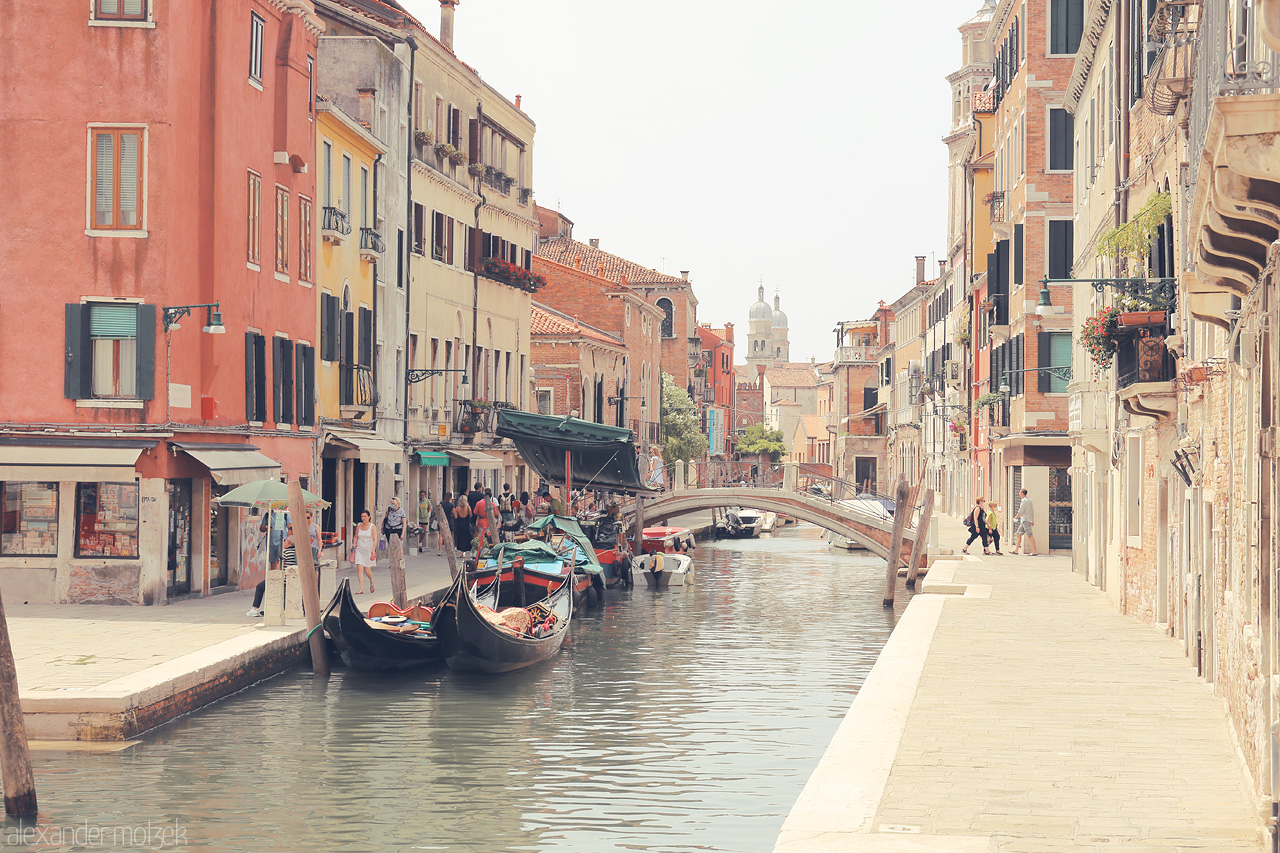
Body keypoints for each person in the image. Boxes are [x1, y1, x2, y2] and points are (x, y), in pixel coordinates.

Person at [350, 509, 377, 594]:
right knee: (359, 568)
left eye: (365, 516)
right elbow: (356, 536)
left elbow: (375, 539)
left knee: (367, 570)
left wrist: (373, 550)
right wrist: (354, 543)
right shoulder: (358, 525)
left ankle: (371, 581)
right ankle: (361, 588)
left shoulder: (372, 526)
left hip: (368, 550)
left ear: (369, 517)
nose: (363, 518)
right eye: (362, 516)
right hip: (359, 549)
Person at [383, 496, 406, 587]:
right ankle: (392, 562)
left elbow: (404, 523)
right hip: (389, 529)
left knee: (398, 547)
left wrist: (403, 534)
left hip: (398, 530)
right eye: (391, 504)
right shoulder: (389, 510)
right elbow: (385, 519)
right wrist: (382, 527)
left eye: (394, 504)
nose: (392, 505)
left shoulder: (401, 511)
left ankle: (400, 561)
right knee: (391, 547)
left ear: (398, 504)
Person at [1012, 488, 1037, 556]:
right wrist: (1032, 520)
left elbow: (1021, 511)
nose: (1019, 494)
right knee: (1018, 533)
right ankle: (1016, 550)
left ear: (1022, 493)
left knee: (1030, 535)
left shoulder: (1024, 501)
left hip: (1026, 520)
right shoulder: (1030, 500)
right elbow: (1032, 511)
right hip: (1025, 520)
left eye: (1020, 492)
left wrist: (1015, 518)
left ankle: (1034, 551)